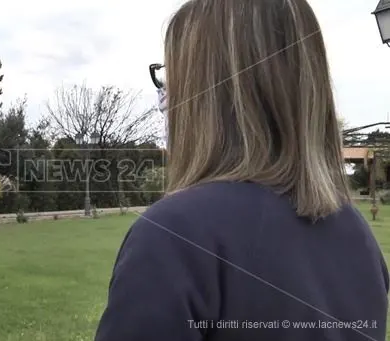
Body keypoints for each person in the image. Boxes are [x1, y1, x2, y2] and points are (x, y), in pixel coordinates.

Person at [94, 0, 389, 340]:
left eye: (172, 75)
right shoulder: (358, 238)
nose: (165, 95)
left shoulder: (175, 236)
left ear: (202, 92)